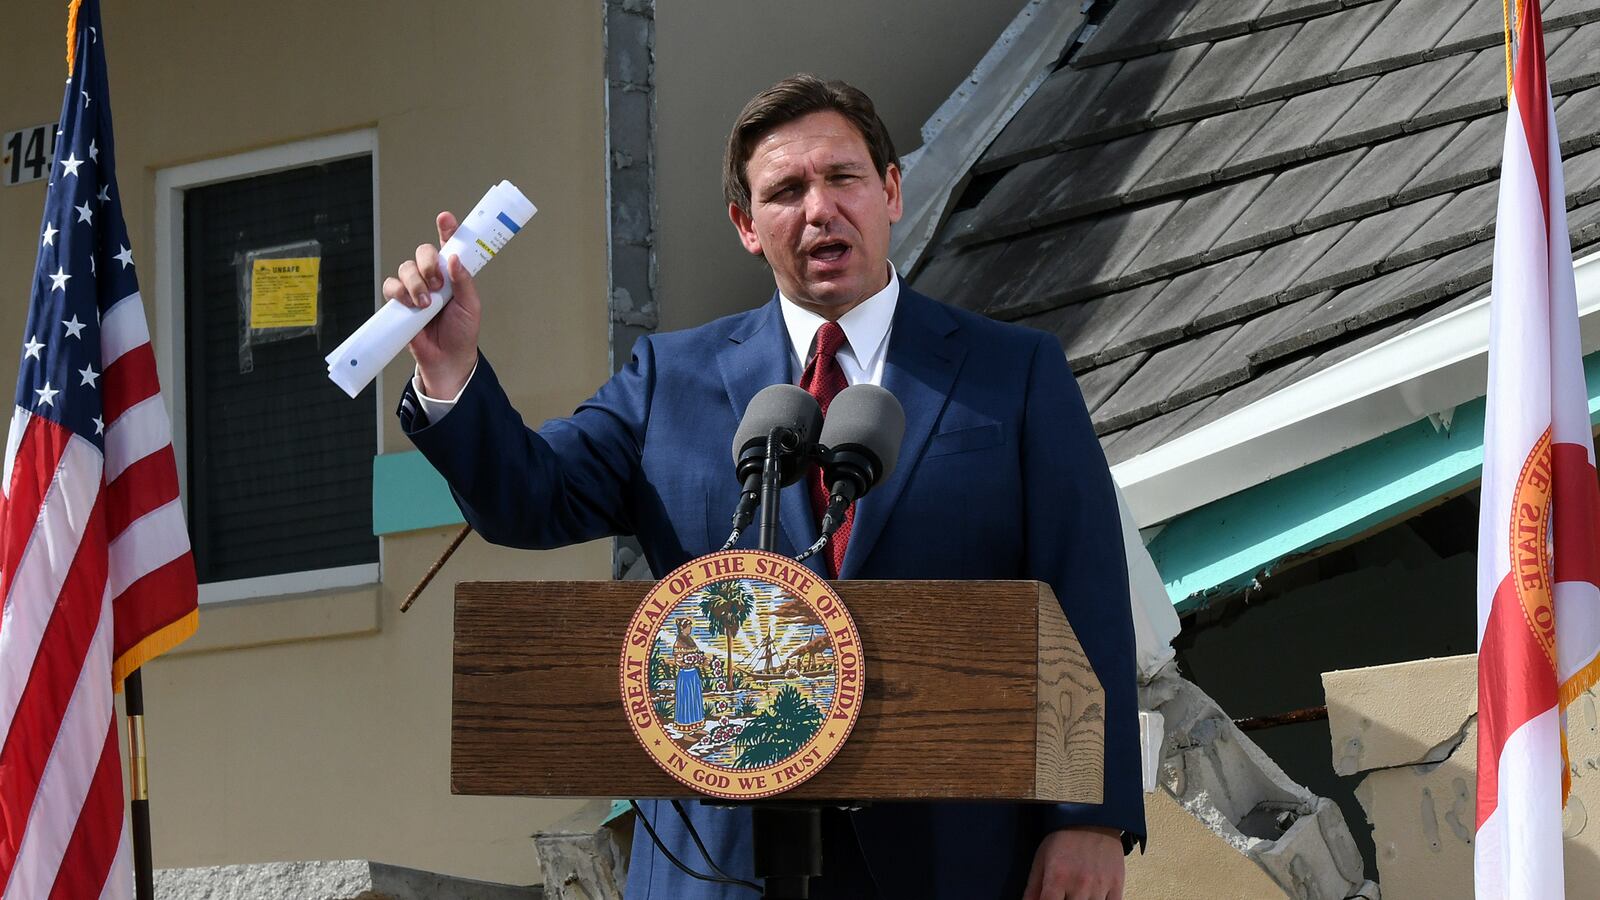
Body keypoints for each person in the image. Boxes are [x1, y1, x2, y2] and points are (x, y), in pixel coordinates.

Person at [389, 74, 1142, 900]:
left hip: (951, 851)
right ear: (748, 227)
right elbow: (528, 498)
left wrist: (1087, 817)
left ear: (890, 190)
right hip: (722, 860)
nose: (819, 208)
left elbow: (1085, 593)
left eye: (843, 178)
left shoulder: (1013, 374)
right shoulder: (666, 382)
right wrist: (449, 368)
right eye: (785, 191)